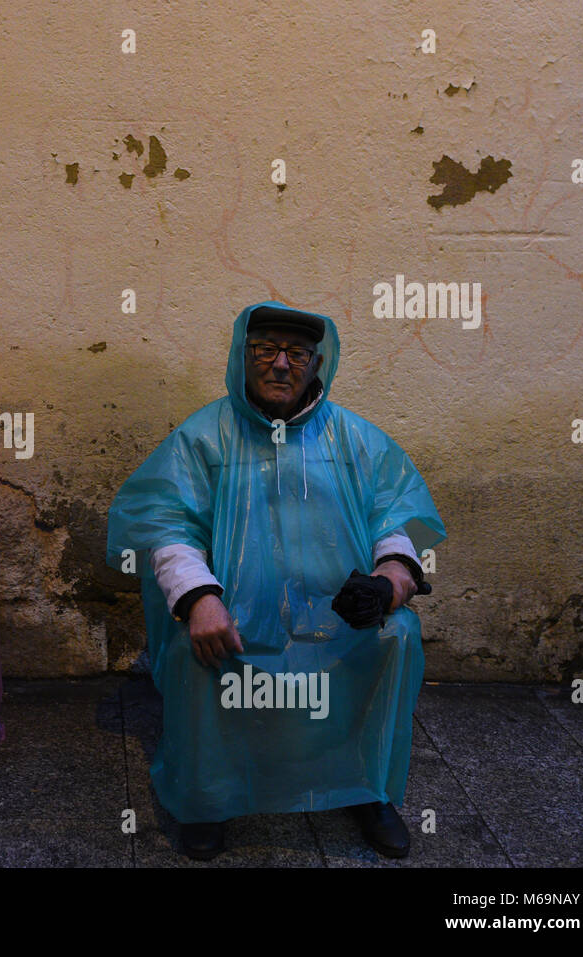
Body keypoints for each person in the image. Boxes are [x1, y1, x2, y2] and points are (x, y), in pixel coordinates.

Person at [106, 301, 446, 860]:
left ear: (318, 364)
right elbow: (166, 526)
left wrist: (391, 578)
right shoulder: (204, 438)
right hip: (234, 614)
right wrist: (199, 598)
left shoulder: (355, 440)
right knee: (198, 649)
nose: (282, 363)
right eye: (266, 349)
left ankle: (371, 789)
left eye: (298, 352)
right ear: (243, 357)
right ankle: (206, 800)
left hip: (335, 616)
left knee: (398, 636)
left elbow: (393, 515)